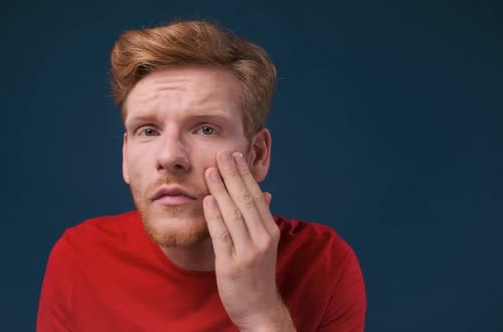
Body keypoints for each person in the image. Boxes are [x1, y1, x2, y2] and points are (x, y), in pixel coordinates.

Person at [37, 20, 366, 332]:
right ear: (125, 156)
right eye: (148, 130)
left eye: (206, 129)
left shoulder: (323, 265)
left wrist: (261, 315)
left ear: (258, 155)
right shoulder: (78, 259)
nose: (169, 157)